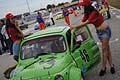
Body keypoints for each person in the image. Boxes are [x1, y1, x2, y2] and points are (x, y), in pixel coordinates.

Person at [70, 0, 115, 76]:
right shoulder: (88, 13)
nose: (82, 7)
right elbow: (82, 21)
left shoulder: (94, 12)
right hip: (99, 33)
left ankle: (103, 68)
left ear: (87, 6)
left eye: (84, 5)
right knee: (107, 49)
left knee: (104, 49)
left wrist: (74, 27)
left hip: (105, 31)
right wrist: (72, 28)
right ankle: (111, 65)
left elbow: (86, 23)